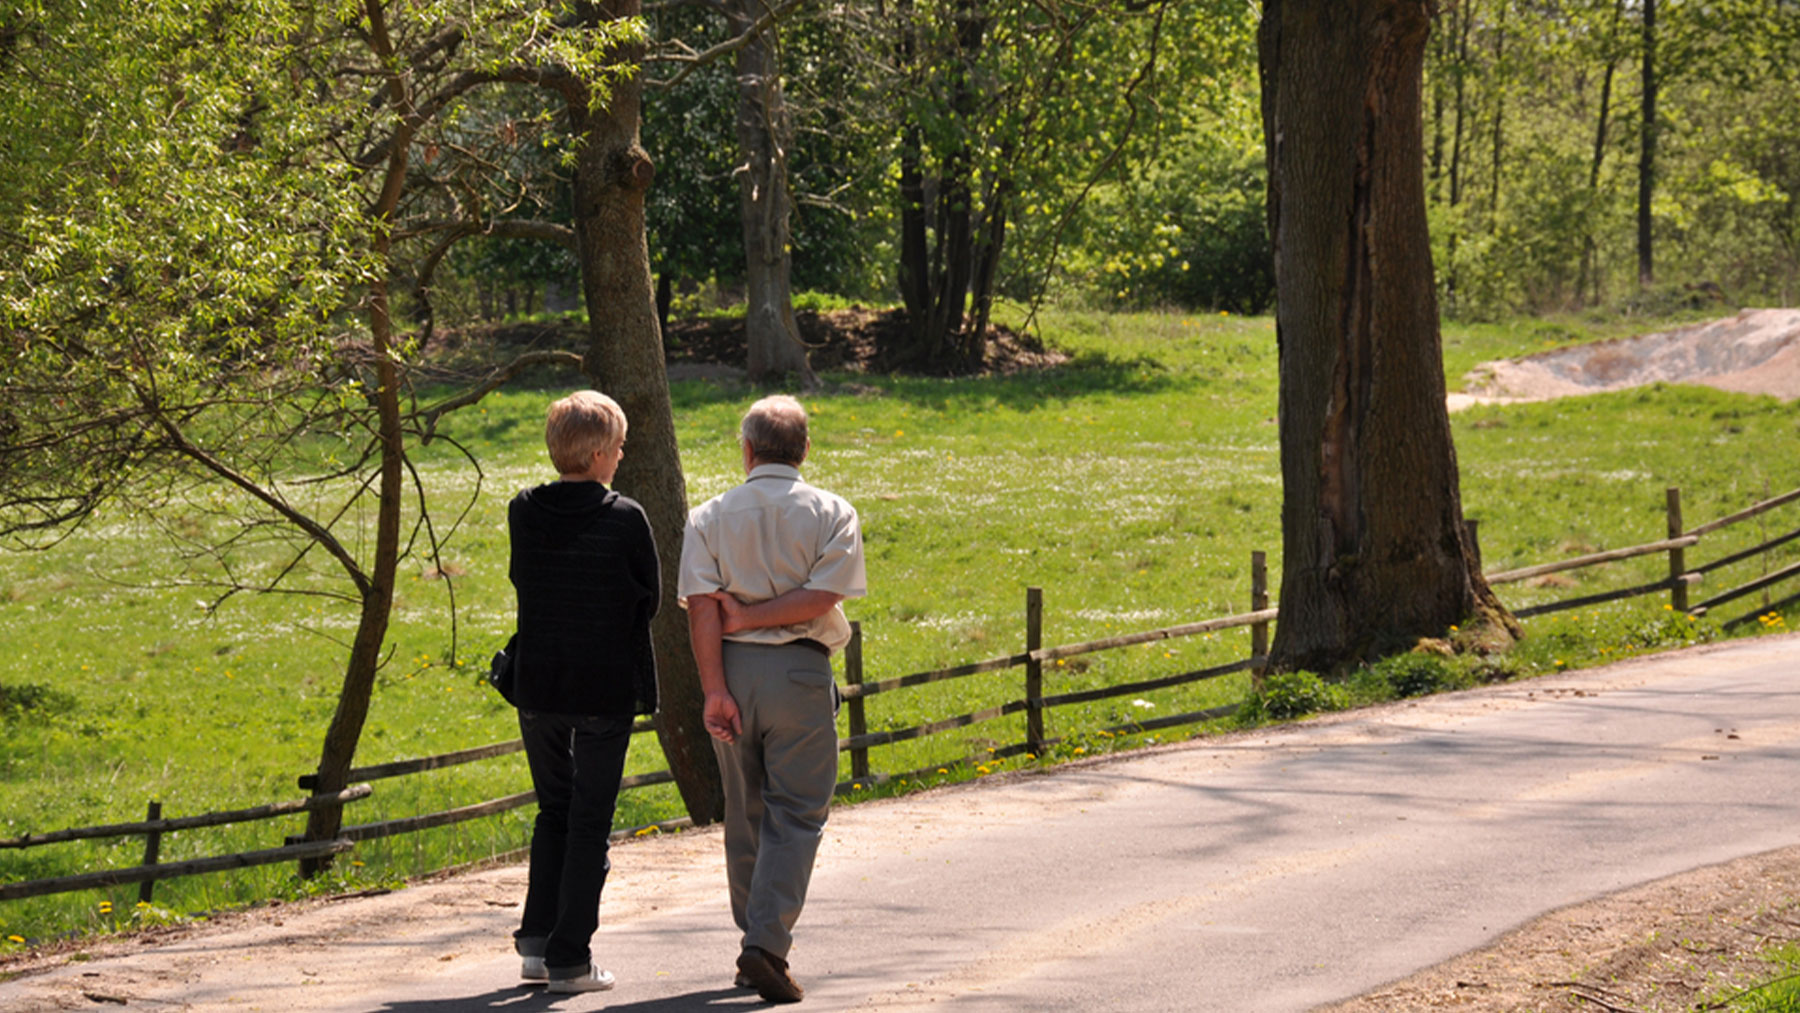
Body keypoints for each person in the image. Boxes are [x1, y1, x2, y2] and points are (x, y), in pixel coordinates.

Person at [679, 394, 867, 1005]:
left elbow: (701, 609)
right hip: (800, 674)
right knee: (796, 814)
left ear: (747, 449)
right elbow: (824, 596)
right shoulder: (833, 511)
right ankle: (764, 945)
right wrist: (764, 617)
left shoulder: (709, 516)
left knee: (746, 811)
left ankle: (752, 944)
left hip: (729, 671)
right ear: (805, 449)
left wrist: (713, 689)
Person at [506, 390, 660, 994]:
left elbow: (525, 578)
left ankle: (537, 943)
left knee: (554, 811)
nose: (622, 457)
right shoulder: (625, 517)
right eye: (619, 447)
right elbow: (645, 598)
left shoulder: (523, 509)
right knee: (590, 820)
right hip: (602, 685)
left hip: (539, 682)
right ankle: (571, 957)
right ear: (598, 453)